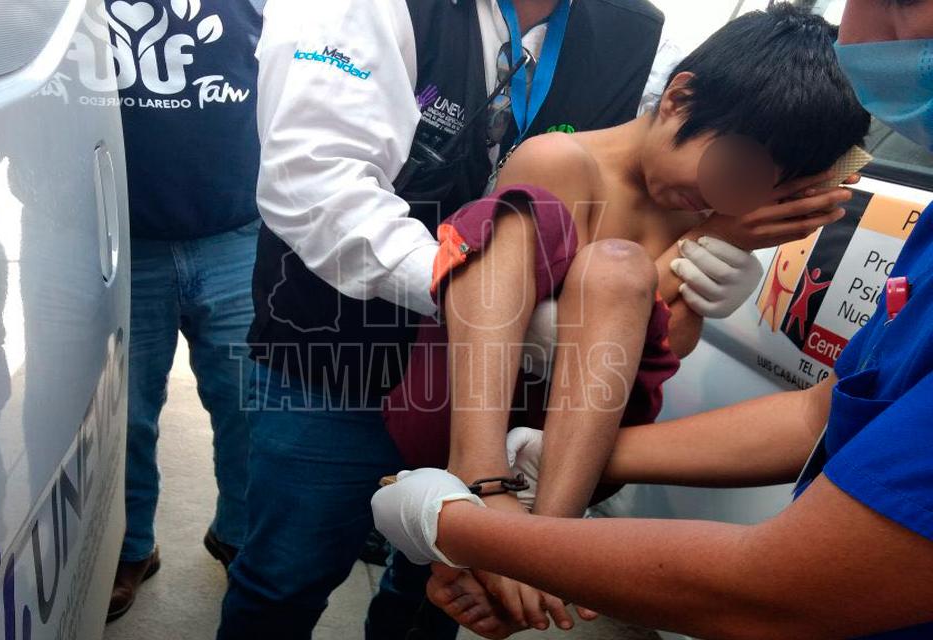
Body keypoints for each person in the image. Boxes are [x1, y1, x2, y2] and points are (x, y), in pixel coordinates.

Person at [372, 0, 933, 638]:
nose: (728, 195)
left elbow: (668, 347)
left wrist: (709, 252)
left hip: (563, 452)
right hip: (474, 414)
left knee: (448, 583)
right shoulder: (561, 163)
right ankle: (489, 526)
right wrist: (692, 253)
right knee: (416, 578)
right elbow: (552, 320)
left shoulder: (707, 207)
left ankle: (533, 546)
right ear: (677, 99)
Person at [221, 0, 724, 637]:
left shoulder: (636, 33)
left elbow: (625, 195)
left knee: (440, 589)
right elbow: (316, 185)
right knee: (285, 576)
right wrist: (490, 299)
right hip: (339, 357)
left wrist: (715, 246)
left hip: (491, 389)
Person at [80, 0, 266, 621]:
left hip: (236, 233)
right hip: (117, 241)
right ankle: (130, 544)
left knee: (249, 407)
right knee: (124, 416)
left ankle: (237, 533)